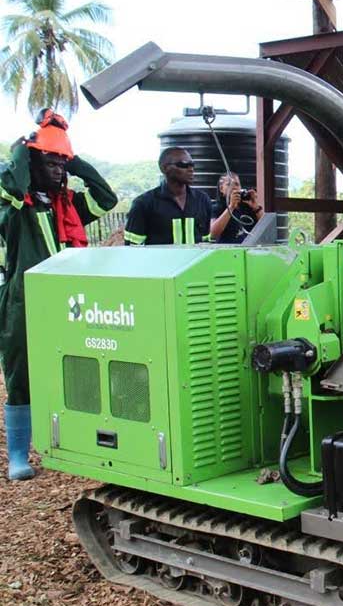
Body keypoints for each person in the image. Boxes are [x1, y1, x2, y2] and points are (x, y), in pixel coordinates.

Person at [0, 110, 117, 480]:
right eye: (49, 162)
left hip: (68, 301)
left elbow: (106, 197)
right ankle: (19, 455)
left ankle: (73, 444)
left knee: (76, 367)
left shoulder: (68, 207)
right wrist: (23, 149)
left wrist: (75, 160)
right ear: (32, 163)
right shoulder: (14, 207)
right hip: (22, 300)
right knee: (21, 374)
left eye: (60, 164)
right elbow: (11, 186)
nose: (57, 170)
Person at [124, 147, 214, 245]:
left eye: (192, 165)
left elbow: (205, 241)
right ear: (165, 168)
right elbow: (132, 247)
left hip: (196, 260)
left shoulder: (202, 200)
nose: (191, 169)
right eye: (183, 165)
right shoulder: (144, 203)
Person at [210, 172, 263, 244]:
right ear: (221, 189)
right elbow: (213, 234)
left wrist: (256, 208)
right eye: (229, 184)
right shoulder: (217, 208)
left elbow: (265, 228)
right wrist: (231, 207)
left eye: (237, 184)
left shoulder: (246, 207)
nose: (234, 187)